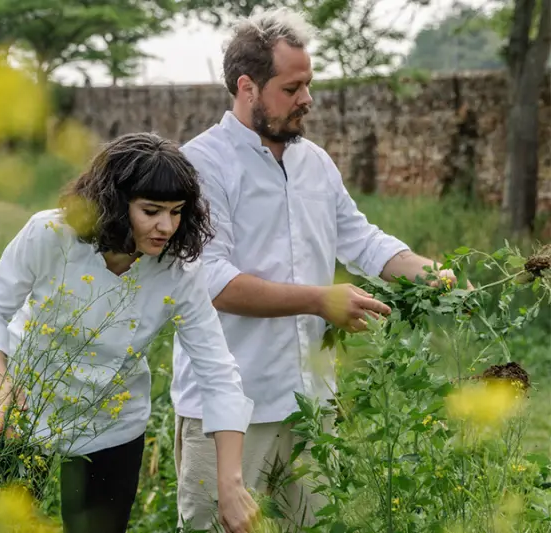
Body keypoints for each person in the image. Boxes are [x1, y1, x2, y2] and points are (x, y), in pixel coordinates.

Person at [170, 7, 473, 531]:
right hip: (227, 408)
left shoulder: (316, 162)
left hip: (311, 405)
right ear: (247, 87)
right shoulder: (201, 164)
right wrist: (320, 299)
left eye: (308, 85)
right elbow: (210, 280)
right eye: (292, 88)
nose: (307, 99)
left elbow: (362, 240)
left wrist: (434, 275)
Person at [0, 132, 259, 533]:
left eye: (177, 211)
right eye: (151, 211)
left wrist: (231, 483)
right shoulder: (50, 235)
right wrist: (3, 382)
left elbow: (218, 373)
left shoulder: (179, 273)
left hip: (110, 424)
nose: (166, 226)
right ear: (115, 204)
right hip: (22, 408)